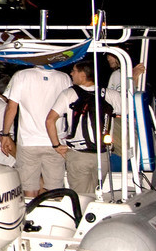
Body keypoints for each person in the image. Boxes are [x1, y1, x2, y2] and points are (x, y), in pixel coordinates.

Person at [1, 63, 73, 197]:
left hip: (29, 141)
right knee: (55, 188)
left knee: (29, 187)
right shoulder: (64, 78)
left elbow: (12, 108)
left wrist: (5, 134)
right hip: (56, 141)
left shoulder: (21, 75)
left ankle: (32, 216)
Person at [47, 61, 114, 196]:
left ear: (83, 75)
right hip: (103, 155)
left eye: (74, 71)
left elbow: (50, 120)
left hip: (79, 155)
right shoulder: (110, 94)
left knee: (80, 197)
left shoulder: (69, 94)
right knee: (98, 195)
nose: (71, 74)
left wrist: (56, 145)